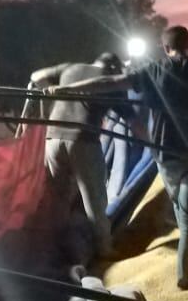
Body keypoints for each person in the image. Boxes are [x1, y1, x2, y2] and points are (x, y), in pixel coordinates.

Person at [50, 25, 188, 289]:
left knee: (180, 205)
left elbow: (108, 83)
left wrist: (68, 89)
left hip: (164, 156)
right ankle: (185, 274)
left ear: (166, 49)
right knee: (187, 214)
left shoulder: (152, 71)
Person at [30, 52, 131, 260]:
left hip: (52, 140)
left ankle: (55, 247)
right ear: (114, 68)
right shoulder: (108, 81)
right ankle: (104, 248)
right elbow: (133, 120)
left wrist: (51, 92)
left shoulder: (70, 66)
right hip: (82, 140)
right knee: (94, 198)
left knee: (59, 198)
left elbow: (36, 76)